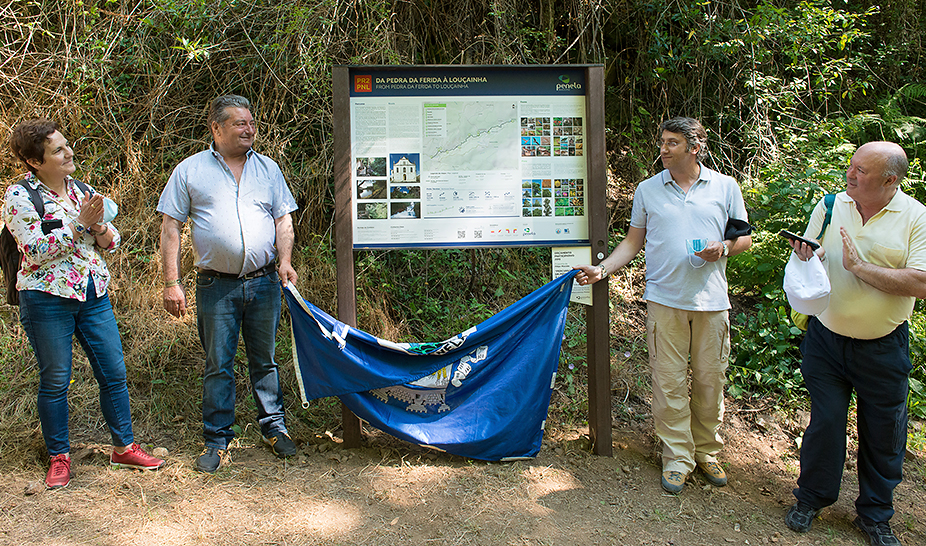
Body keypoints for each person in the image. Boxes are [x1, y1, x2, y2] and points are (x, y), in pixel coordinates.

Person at [574, 117, 752, 493]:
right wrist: (602, 270)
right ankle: (677, 457)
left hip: (711, 302)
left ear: (695, 148)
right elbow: (632, 242)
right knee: (668, 383)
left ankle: (706, 452)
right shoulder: (648, 190)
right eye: (662, 142)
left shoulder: (725, 187)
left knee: (710, 381)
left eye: (672, 143)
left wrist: (723, 248)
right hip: (664, 300)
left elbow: (744, 239)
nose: (663, 149)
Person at [4, 119, 164, 488]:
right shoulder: (19, 196)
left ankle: (124, 448)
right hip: (46, 299)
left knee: (114, 372)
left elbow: (112, 241)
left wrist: (99, 228)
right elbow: (35, 249)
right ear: (34, 161)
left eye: (67, 145)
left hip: (93, 294)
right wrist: (80, 224)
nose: (69, 152)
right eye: (58, 150)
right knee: (56, 379)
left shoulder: (80, 189)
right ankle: (59, 457)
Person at [784, 141, 925, 546]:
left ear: (890, 180)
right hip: (826, 340)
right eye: (851, 166)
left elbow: (921, 281)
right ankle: (811, 498)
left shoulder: (916, 217)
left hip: (883, 347)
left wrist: (860, 268)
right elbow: (810, 256)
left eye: (861, 170)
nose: (850, 174)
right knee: (825, 423)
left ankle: (875, 515)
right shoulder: (831, 205)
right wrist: (807, 255)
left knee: (883, 433)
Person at [157, 95, 299, 473]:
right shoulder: (190, 170)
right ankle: (217, 440)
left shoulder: (268, 169)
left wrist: (285, 261)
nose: (249, 130)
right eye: (239, 124)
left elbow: (283, 219)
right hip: (215, 286)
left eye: (251, 123)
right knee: (218, 364)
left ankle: (274, 428)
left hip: (264, 282)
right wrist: (171, 282)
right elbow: (171, 227)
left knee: (265, 360)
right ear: (216, 128)